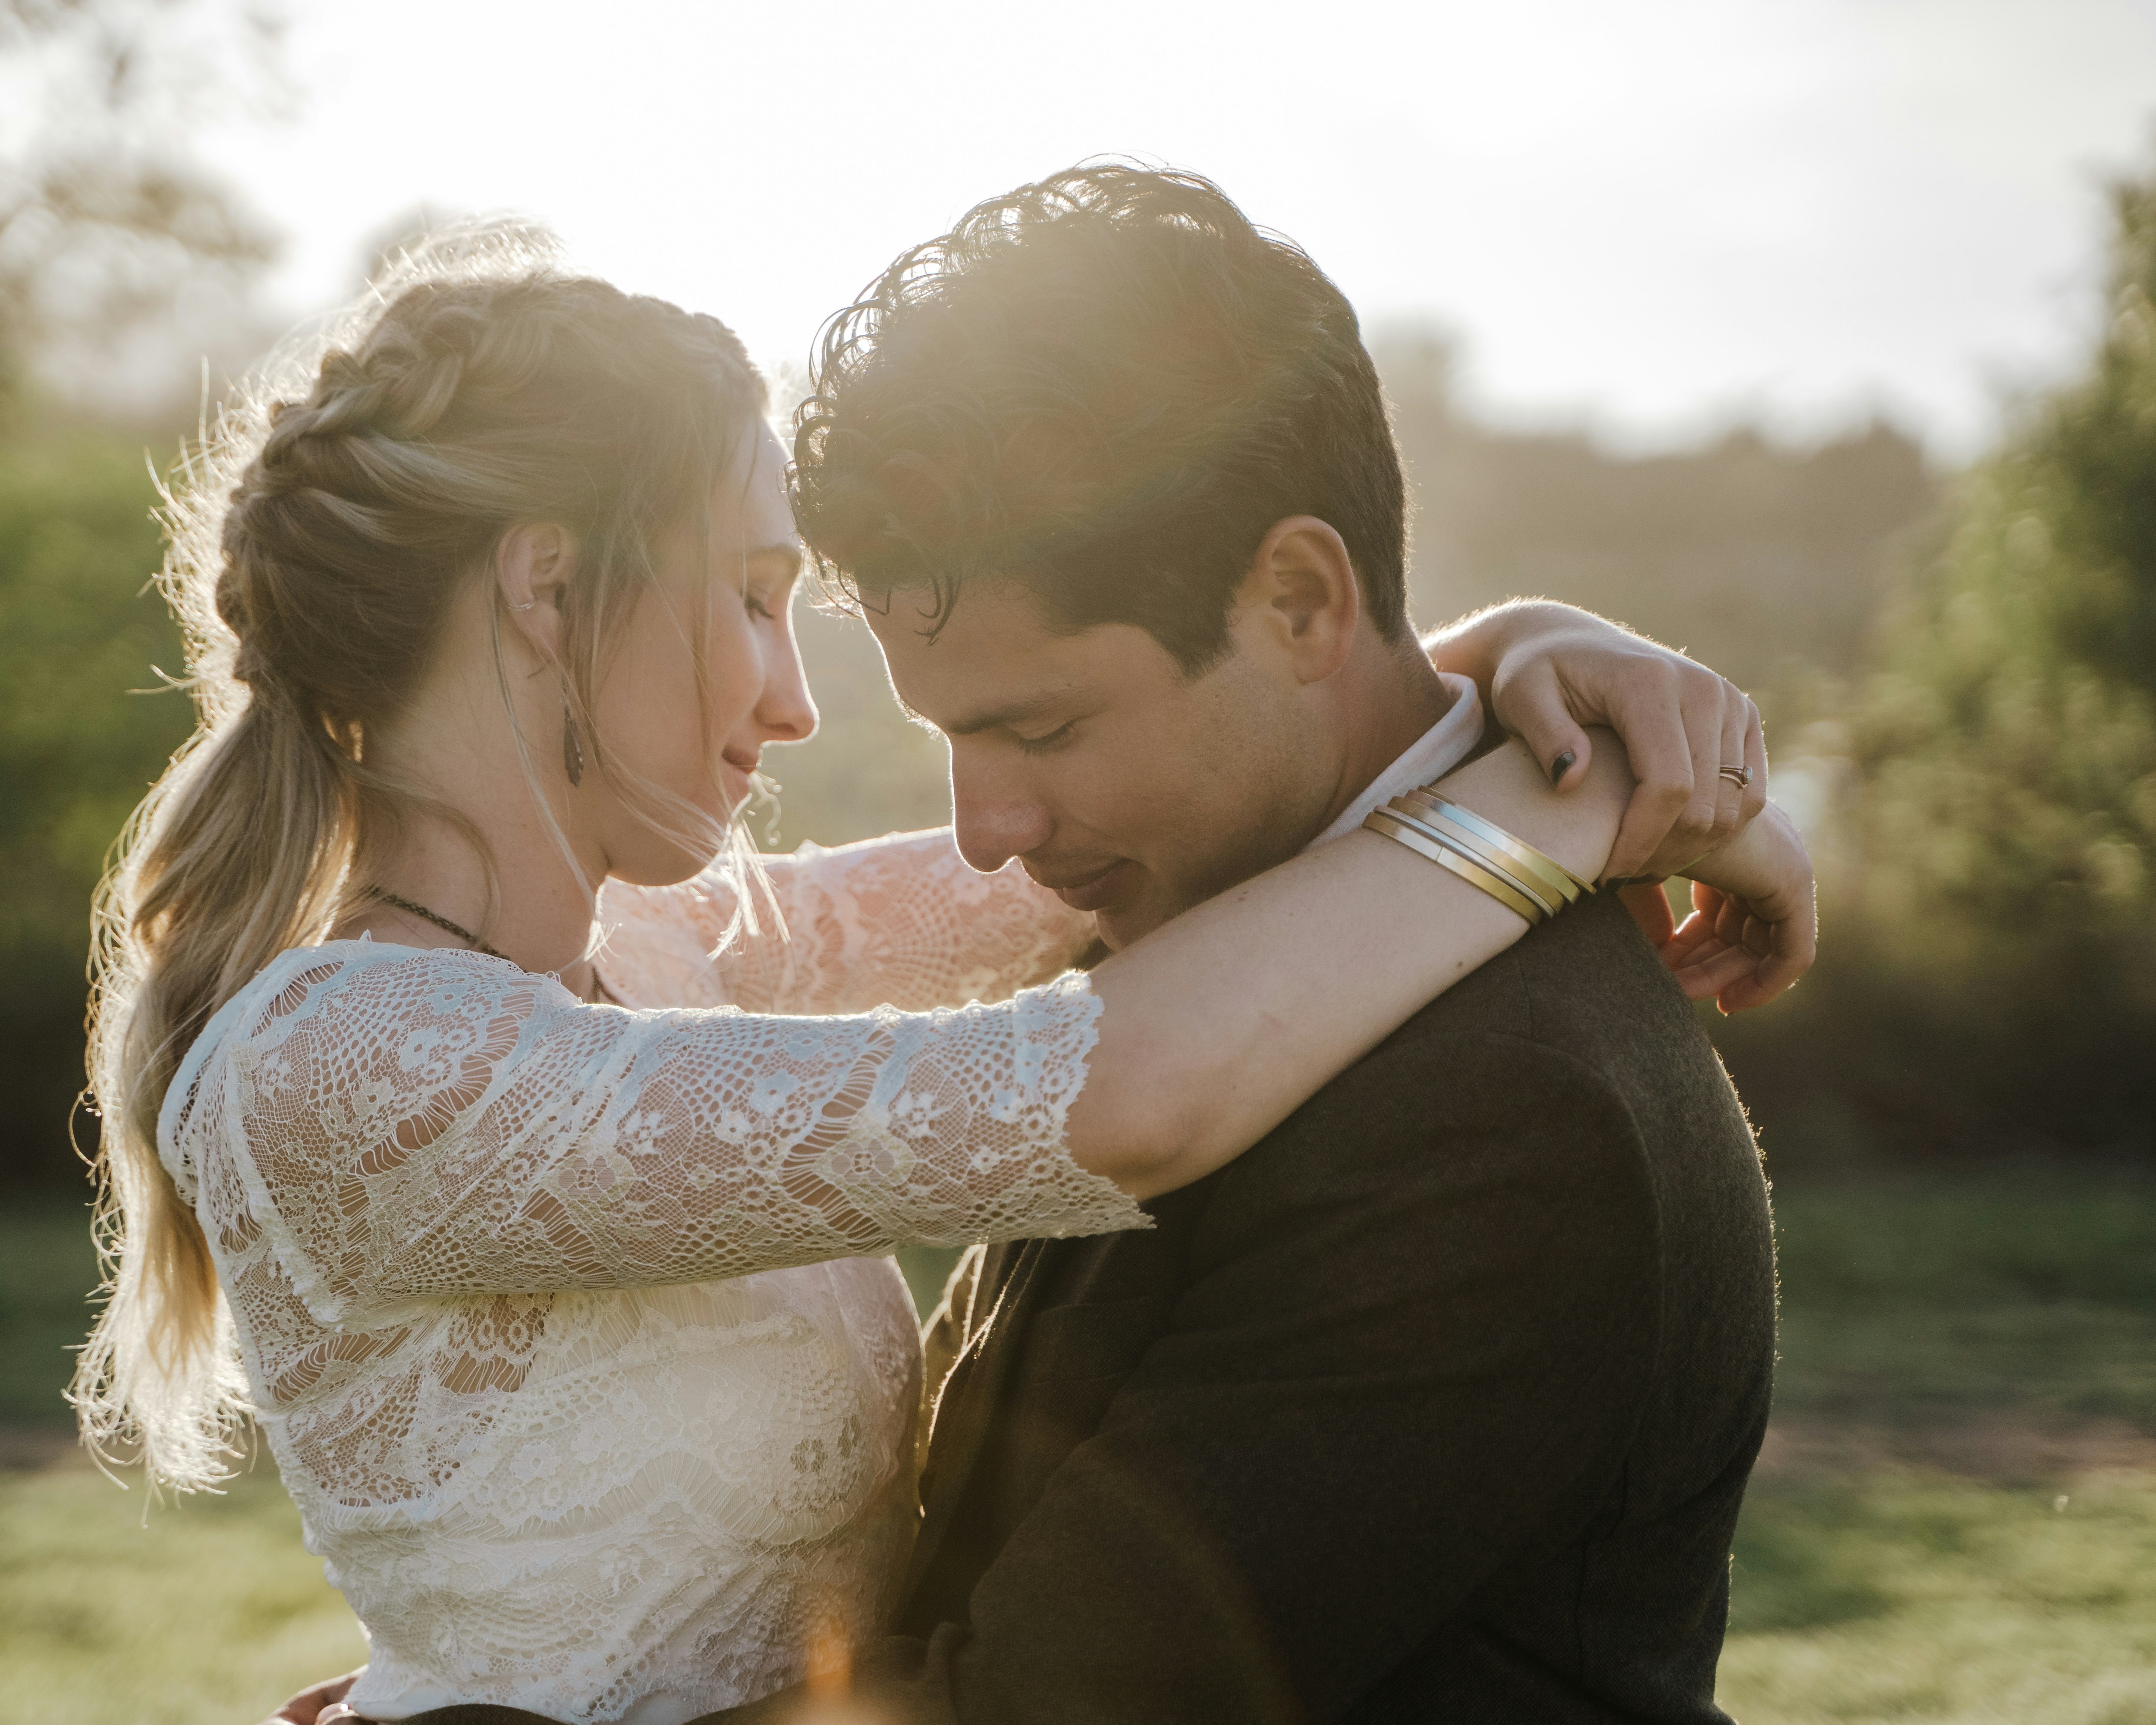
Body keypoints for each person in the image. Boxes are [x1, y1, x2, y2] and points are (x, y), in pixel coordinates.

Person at [105, 218, 1805, 1725]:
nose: (794, 707)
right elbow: (1118, 1069)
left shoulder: (667, 952)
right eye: (756, 601)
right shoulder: (352, 1058)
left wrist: (1531, 669)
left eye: (1034, 724)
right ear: (549, 591)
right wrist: (1562, 790)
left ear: (1300, 598)